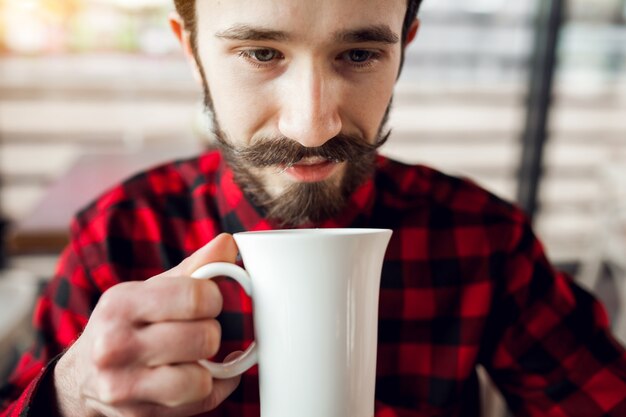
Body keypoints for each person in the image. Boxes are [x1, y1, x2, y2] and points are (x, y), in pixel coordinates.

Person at [2, 0, 626, 415]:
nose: (311, 126)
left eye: (359, 55)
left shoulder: (482, 237)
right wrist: (73, 391)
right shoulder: (118, 235)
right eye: (261, 53)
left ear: (404, 48)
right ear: (192, 52)